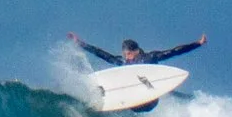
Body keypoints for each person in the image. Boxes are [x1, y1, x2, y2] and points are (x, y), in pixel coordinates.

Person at [69, 31, 208, 67]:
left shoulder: (150, 58)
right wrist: (80, 43)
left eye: (128, 53)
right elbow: (102, 54)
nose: (126, 56)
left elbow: (175, 51)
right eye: (125, 54)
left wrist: (198, 43)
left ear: (136, 50)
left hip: (150, 100)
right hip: (134, 102)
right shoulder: (123, 63)